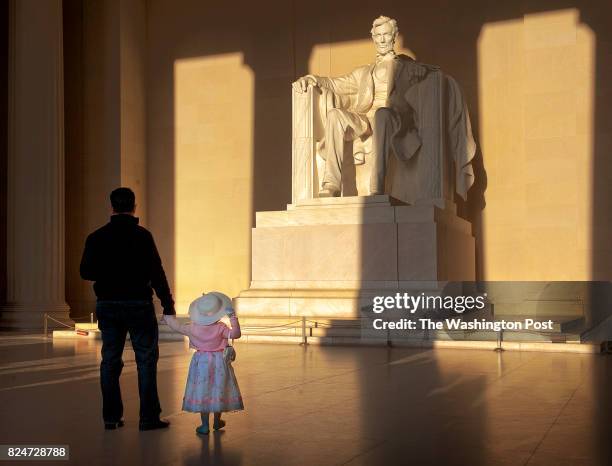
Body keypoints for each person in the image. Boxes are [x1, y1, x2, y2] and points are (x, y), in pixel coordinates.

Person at [80, 187, 175, 431]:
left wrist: (109, 271)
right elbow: (157, 273)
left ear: (111, 207)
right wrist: (168, 304)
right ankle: (148, 418)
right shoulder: (143, 236)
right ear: (134, 207)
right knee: (146, 361)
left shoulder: (96, 237)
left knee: (110, 361)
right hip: (138, 304)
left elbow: (85, 272)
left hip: (108, 305)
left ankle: (111, 418)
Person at [162, 291, 244, 435]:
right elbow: (236, 334)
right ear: (217, 311)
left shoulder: (192, 327)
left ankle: (204, 425)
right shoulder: (221, 328)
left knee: (203, 391)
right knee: (218, 389)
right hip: (219, 362)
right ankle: (217, 421)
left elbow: (176, 326)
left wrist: (168, 317)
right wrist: (232, 317)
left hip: (201, 363)